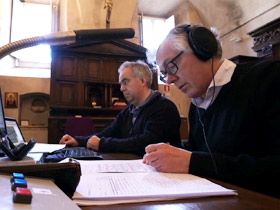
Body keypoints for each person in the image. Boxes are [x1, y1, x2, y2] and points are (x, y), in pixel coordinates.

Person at [143, 23, 280, 198]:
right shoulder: (196, 105)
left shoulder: (269, 78)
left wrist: (192, 161)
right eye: (164, 74)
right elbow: (201, 152)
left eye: (171, 66)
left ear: (202, 49)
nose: (169, 80)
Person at [60, 60, 181, 156]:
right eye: (121, 84)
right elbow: (108, 133)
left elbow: (146, 143)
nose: (122, 88)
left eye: (126, 82)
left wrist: (102, 144)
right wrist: (78, 141)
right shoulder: (128, 111)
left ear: (142, 80)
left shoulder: (164, 107)